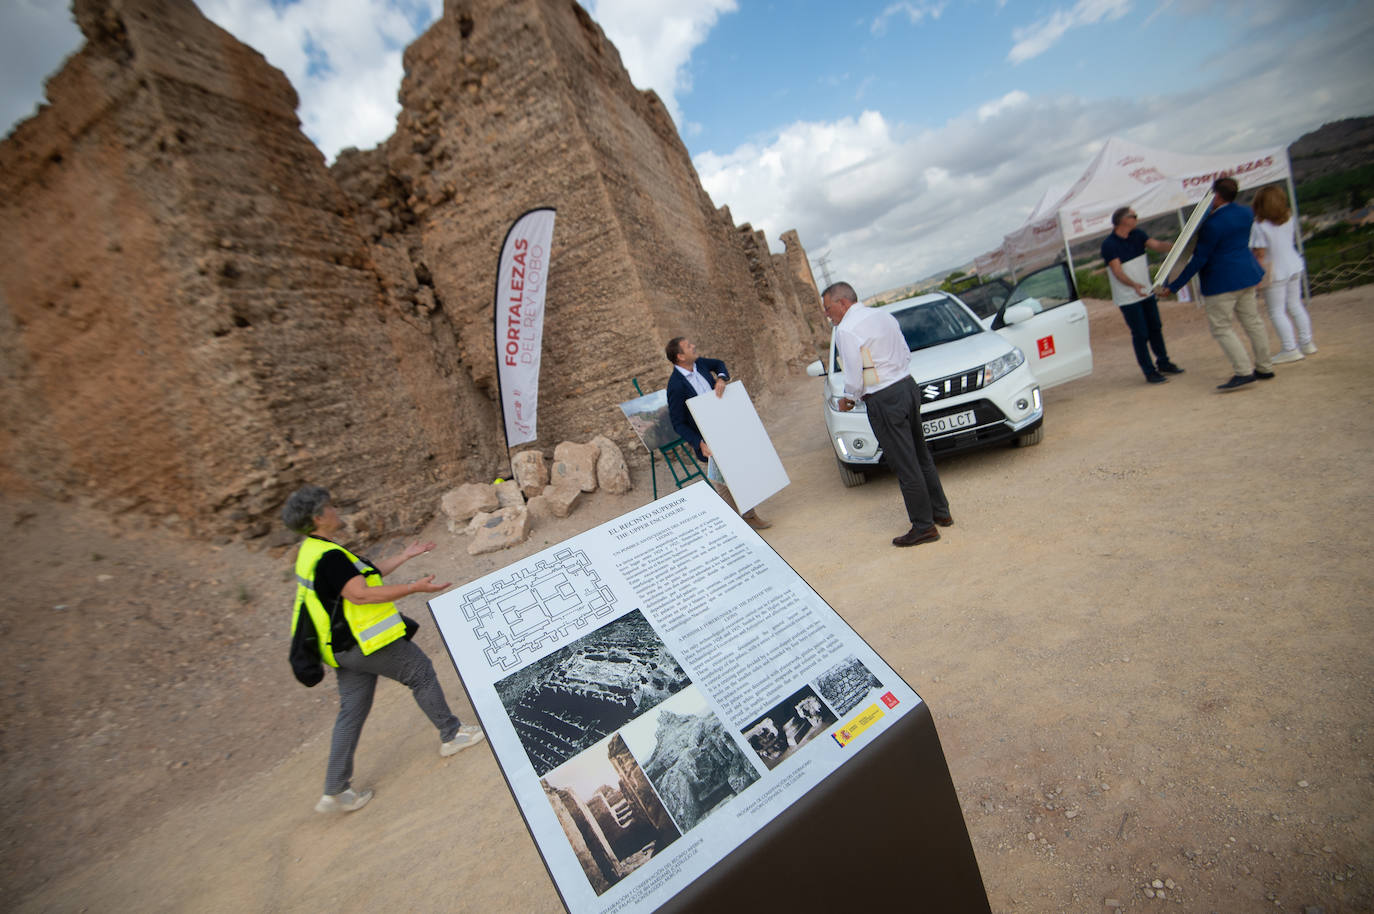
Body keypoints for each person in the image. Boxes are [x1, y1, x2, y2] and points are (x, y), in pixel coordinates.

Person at [282, 485, 485, 814]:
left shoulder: (312, 552)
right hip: (365, 642)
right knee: (420, 672)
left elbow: (364, 572)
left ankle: (335, 789)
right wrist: (413, 588)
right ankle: (452, 734)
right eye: (330, 507)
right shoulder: (330, 556)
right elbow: (359, 594)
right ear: (318, 517)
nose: (336, 511)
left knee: (352, 711)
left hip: (340, 648)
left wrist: (405, 556)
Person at [819, 282, 951, 548]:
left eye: (828, 307)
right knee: (921, 455)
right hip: (907, 387)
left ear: (842, 302)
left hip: (884, 398)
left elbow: (854, 375)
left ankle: (924, 527)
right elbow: (904, 352)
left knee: (905, 464)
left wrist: (849, 399)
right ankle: (940, 512)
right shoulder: (883, 316)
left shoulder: (846, 329)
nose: (827, 314)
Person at [1158, 177, 1272, 391]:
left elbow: (1199, 260)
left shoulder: (1212, 225)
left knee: (1222, 328)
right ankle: (1265, 366)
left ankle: (1243, 371)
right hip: (1246, 274)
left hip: (1221, 281)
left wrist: (1174, 285)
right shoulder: (1246, 212)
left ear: (1217, 196)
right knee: (1253, 322)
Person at [665, 337, 771, 530]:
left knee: (740, 473)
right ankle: (740, 525)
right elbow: (678, 423)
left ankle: (748, 517)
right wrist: (699, 443)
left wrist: (721, 378)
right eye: (689, 346)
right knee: (723, 484)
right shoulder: (675, 386)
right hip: (708, 441)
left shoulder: (700, 364)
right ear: (680, 356)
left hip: (728, 428)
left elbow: (719, 364)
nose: (694, 346)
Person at [1101, 206, 1185, 384]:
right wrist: (1133, 285)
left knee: (1155, 327)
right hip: (1128, 297)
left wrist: (1175, 246)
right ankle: (1149, 371)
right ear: (1124, 220)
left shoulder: (1138, 234)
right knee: (1140, 333)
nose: (1137, 219)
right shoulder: (1109, 244)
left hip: (1146, 292)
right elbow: (1117, 270)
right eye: (1134, 216)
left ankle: (1164, 362)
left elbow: (1156, 245)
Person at [1250, 184, 1316, 362]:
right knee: (1295, 306)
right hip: (1294, 265)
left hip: (1275, 270)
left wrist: (1256, 275)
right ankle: (1306, 343)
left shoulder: (1259, 225)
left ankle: (1290, 348)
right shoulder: (1289, 217)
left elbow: (1260, 254)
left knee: (1276, 311)